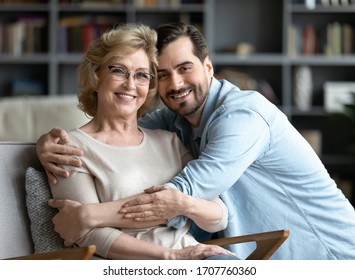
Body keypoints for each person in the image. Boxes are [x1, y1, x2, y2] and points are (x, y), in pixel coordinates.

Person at [37, 22, 355, 260]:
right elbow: (118, 128)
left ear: (209, 67)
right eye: (163, 74)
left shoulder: (242, 117)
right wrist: (42, 143)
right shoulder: (175, 119)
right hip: (255, 258)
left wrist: (88, 217)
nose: (175, 83)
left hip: (328, 258)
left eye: (185, 68)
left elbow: (175, 199)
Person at [47, 22, 237, 260]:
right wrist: (171, 257)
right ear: (96, 75)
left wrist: (181, 204)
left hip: (198, 257)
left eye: (142, 75)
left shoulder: (169, 140)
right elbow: (87, 234)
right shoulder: (67, 148)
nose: (130, 84)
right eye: (118, 70)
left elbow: (218, 215)